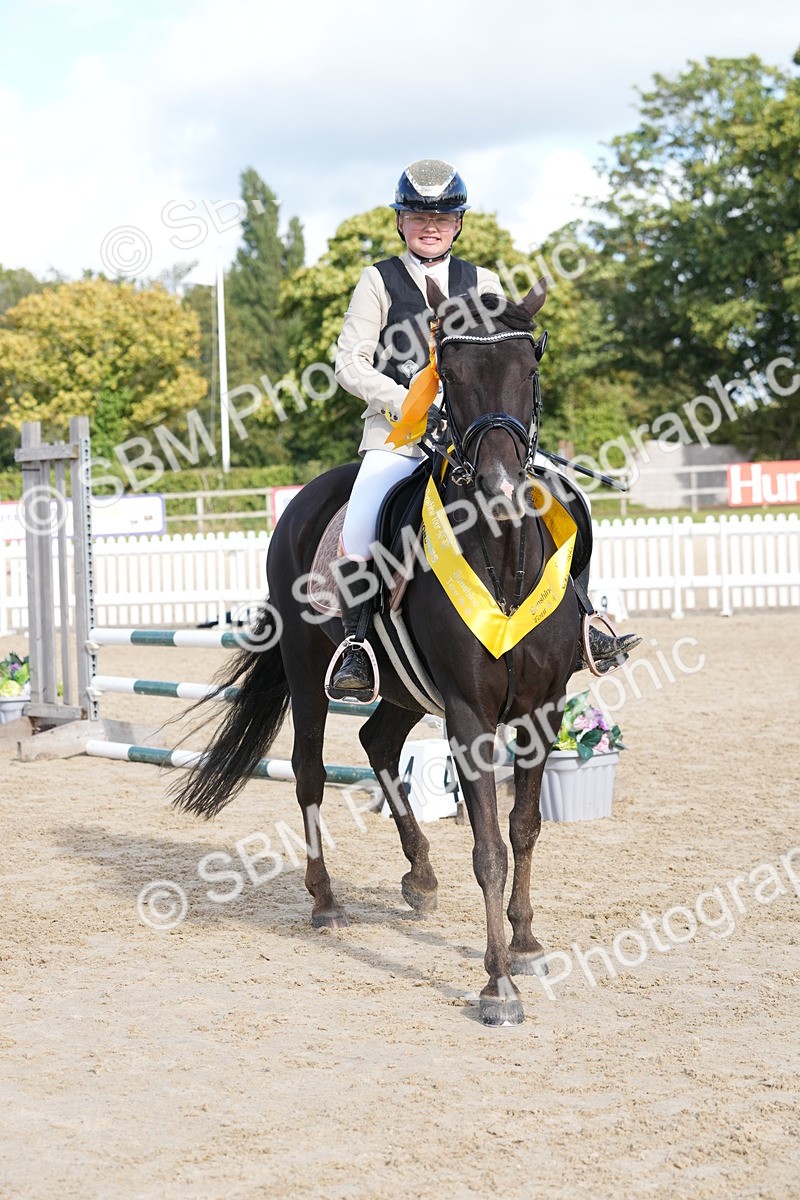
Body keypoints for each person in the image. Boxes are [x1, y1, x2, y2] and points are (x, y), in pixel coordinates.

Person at [328, 158, 639, 700]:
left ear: (458, 223)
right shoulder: (378, 281)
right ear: (400, 221)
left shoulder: (483, 281)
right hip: (399, 436)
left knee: (571, 502)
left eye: (443, 218)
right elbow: (349, 363)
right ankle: (358, 644)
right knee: (361, 522)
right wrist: (407, 403)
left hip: (476, 435)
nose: (431, 226)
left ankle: (587, 617)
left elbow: (503, 359)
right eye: (419, 216)